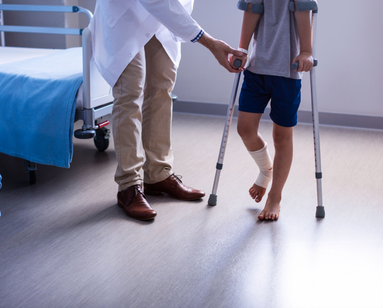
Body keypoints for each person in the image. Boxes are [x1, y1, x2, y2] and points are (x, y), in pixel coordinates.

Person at [88, 0, 244, 221]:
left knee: (162, 89)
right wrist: (209, 42)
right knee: (130, 94)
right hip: (125, 15)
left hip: (160, 20)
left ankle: (158, 174)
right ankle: (128, 186)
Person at [230, 0, 314, 220]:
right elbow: (251, 12)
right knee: (245, 129)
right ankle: (267, 169)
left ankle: (275, 197)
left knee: (282, 137)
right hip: (257, 68)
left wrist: (306, 51)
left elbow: (304, 13)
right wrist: (242, 50)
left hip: (288, 72)